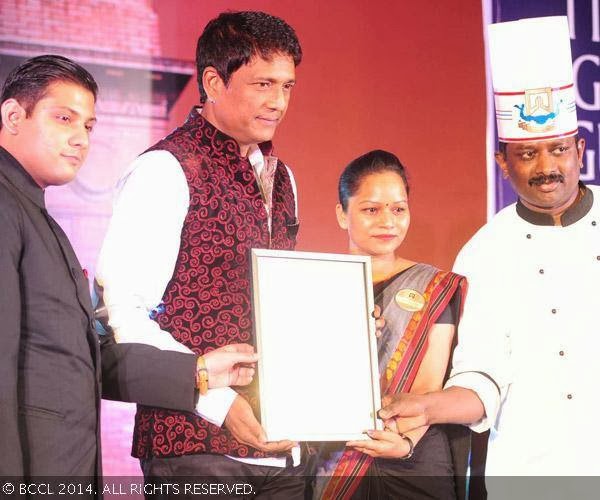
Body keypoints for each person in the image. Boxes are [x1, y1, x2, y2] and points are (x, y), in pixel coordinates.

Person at [0, 54, 260, 490]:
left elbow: (83, 359)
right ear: (12, 116)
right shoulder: (7, 209)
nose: (80, 139)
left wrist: (197, 372)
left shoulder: (39, 219)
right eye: (64, 118)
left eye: (88, 125)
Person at [378, 16, 600, 497]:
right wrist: (427, 407)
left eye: (558, 149)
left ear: (579, 149)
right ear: (503, 164)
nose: (546, 168)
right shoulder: (483, 253)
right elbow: (482, 377)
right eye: (527, 154)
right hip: (533, 473)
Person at [95, 10, 307, 498]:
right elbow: (123, 316)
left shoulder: (284, 179)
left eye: (287, 86)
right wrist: (219, 402)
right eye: (263, 84)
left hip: (282, 448)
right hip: (194, 452)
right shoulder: (165, 171)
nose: (278, 102)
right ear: (214, 81)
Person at [313, 150, 468, 499]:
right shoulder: (314, 284)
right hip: (337, 455)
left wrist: (405, 441)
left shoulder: (434, 286)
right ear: (342, 214)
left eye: (398, 209)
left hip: (414, 459)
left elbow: (429, 383)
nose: (388, 221)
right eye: (371, 209)